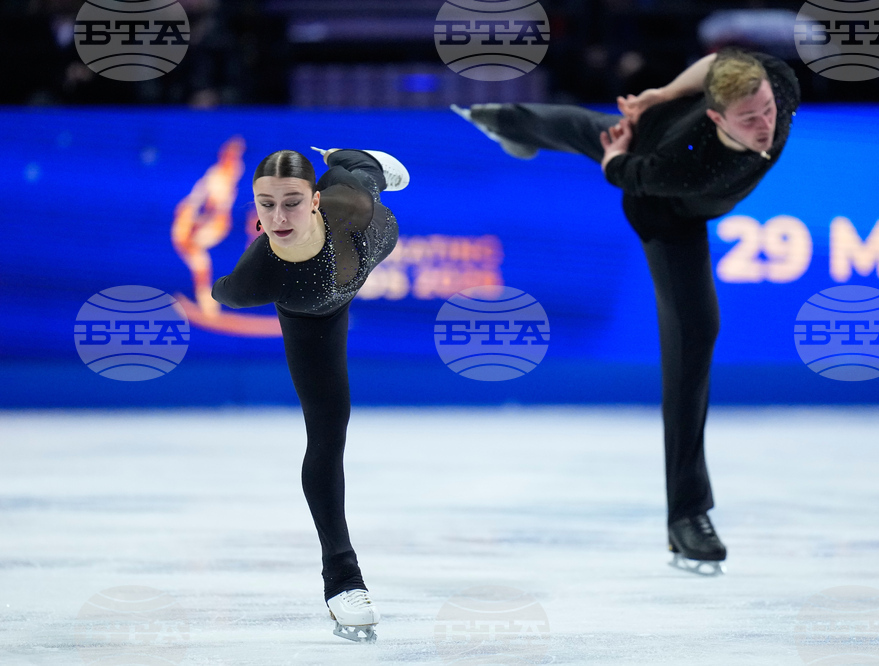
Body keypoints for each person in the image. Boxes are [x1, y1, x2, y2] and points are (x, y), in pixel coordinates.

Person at [451, 47, 800, 576]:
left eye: (769, 111)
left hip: (666, 122)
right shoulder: (683, 160)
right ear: (717, 116)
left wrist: (664, 91)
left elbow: (718, 61)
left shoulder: (771, 86)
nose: (766, 126)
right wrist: (619, 162)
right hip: (663, 206)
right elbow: (631, 177)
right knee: (696, 331)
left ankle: (506, 121)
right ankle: (688, 517)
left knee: (589, 130)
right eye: (749, 119)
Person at [211, 147, 408, 640]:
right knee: (327, 430)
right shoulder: (257, 278)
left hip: (362, 230)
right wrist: (251, 259)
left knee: (362, 177)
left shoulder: (356, 210)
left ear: (316, 200)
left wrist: (353, 168)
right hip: (311, 319)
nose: (278, 217)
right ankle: (343, 579)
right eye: (265, 204)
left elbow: (353, 196)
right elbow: (222, 293)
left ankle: (353, 156)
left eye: (293, 202)